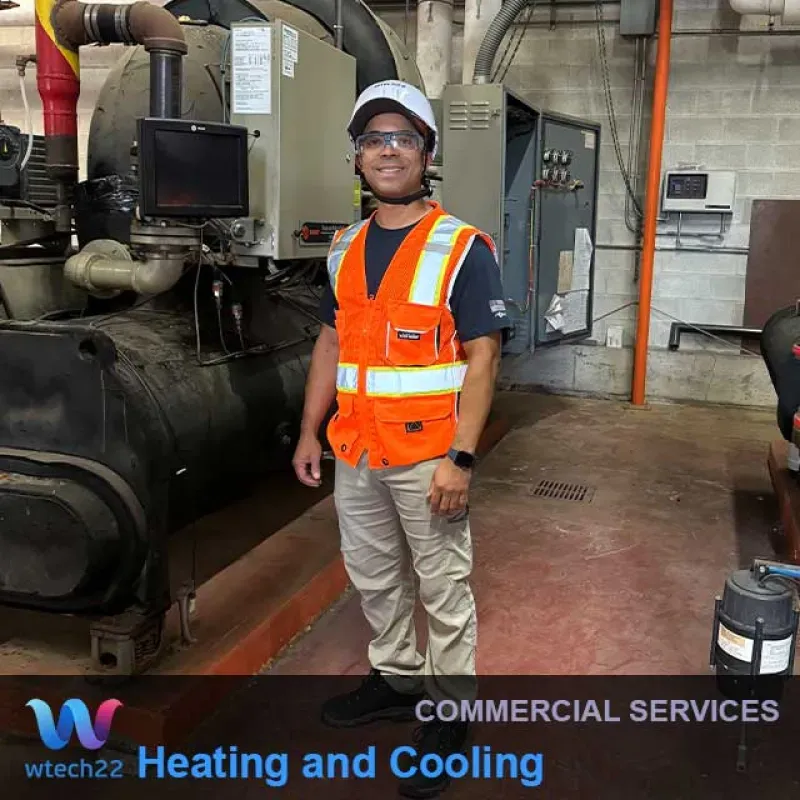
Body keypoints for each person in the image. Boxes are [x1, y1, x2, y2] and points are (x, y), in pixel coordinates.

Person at [292, 79, 512, 798]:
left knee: (442, 587)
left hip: (429, 458)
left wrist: (462, 458)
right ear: (357, 157)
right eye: (374, 140)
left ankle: (451, 714)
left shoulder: (461, 249)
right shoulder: (346, 247)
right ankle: (396, 678)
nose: (388, 151)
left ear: (427, 155)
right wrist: (309, 433)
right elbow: (330, 343)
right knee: (376, 578)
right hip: (356, 452)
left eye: (404, 138)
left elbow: (484, 357)